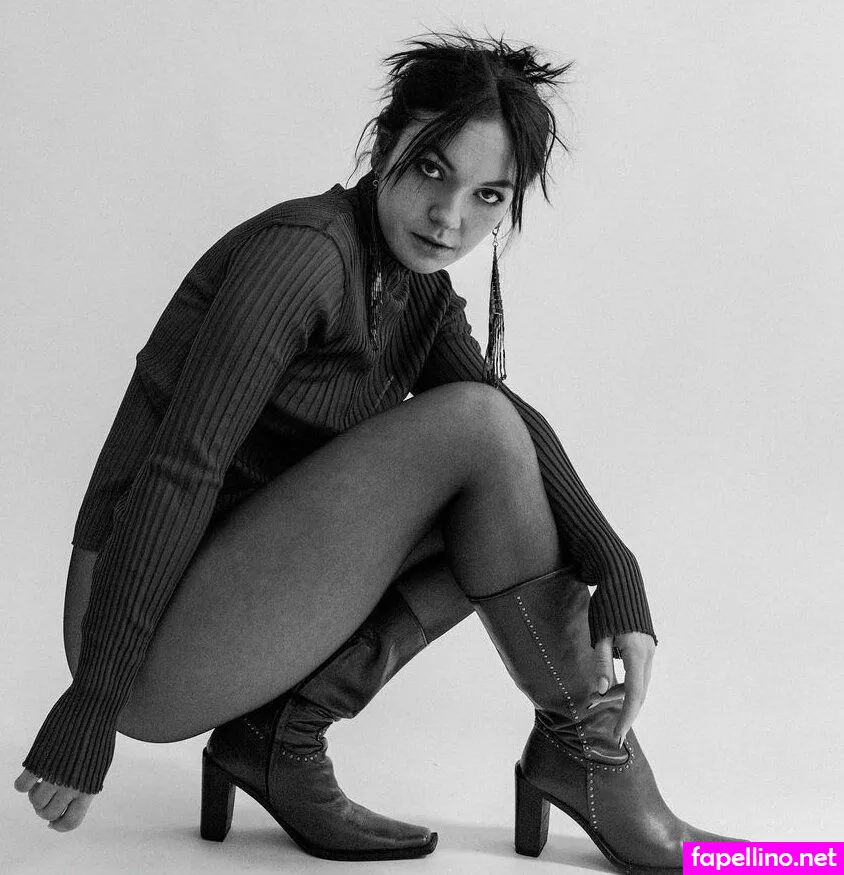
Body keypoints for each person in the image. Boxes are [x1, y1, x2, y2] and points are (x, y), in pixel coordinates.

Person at [14, 30, 745, 870]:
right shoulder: (304, 257)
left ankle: (281, 739)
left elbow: (516, 436)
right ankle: (588, 756)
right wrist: (91, 701)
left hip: (224, 597)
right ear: (383, 145)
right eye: (432, 170)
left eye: (488, 196)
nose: (450, 217)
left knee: (497, 479)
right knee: (476, 428)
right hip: (138, 632)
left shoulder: (414, 288)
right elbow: (180, 473)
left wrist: (615, 564)